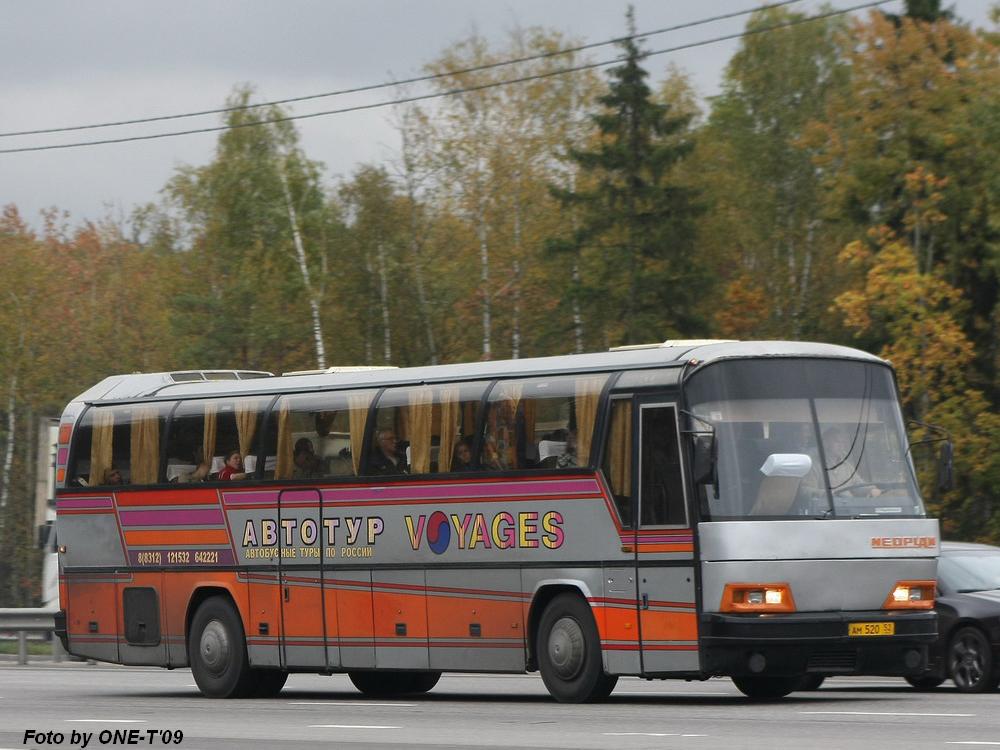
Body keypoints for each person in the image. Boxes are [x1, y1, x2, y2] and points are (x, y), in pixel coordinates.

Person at [822, 426, 882, 497]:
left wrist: (870, 489)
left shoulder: (847, 467)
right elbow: (806, 490)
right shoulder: (816, 466)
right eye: (837, 441)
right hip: (828, 506)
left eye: (842, 442)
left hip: (848, 506)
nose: (841, 445)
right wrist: (826, 493)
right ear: (826, 443)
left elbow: (858, 485)